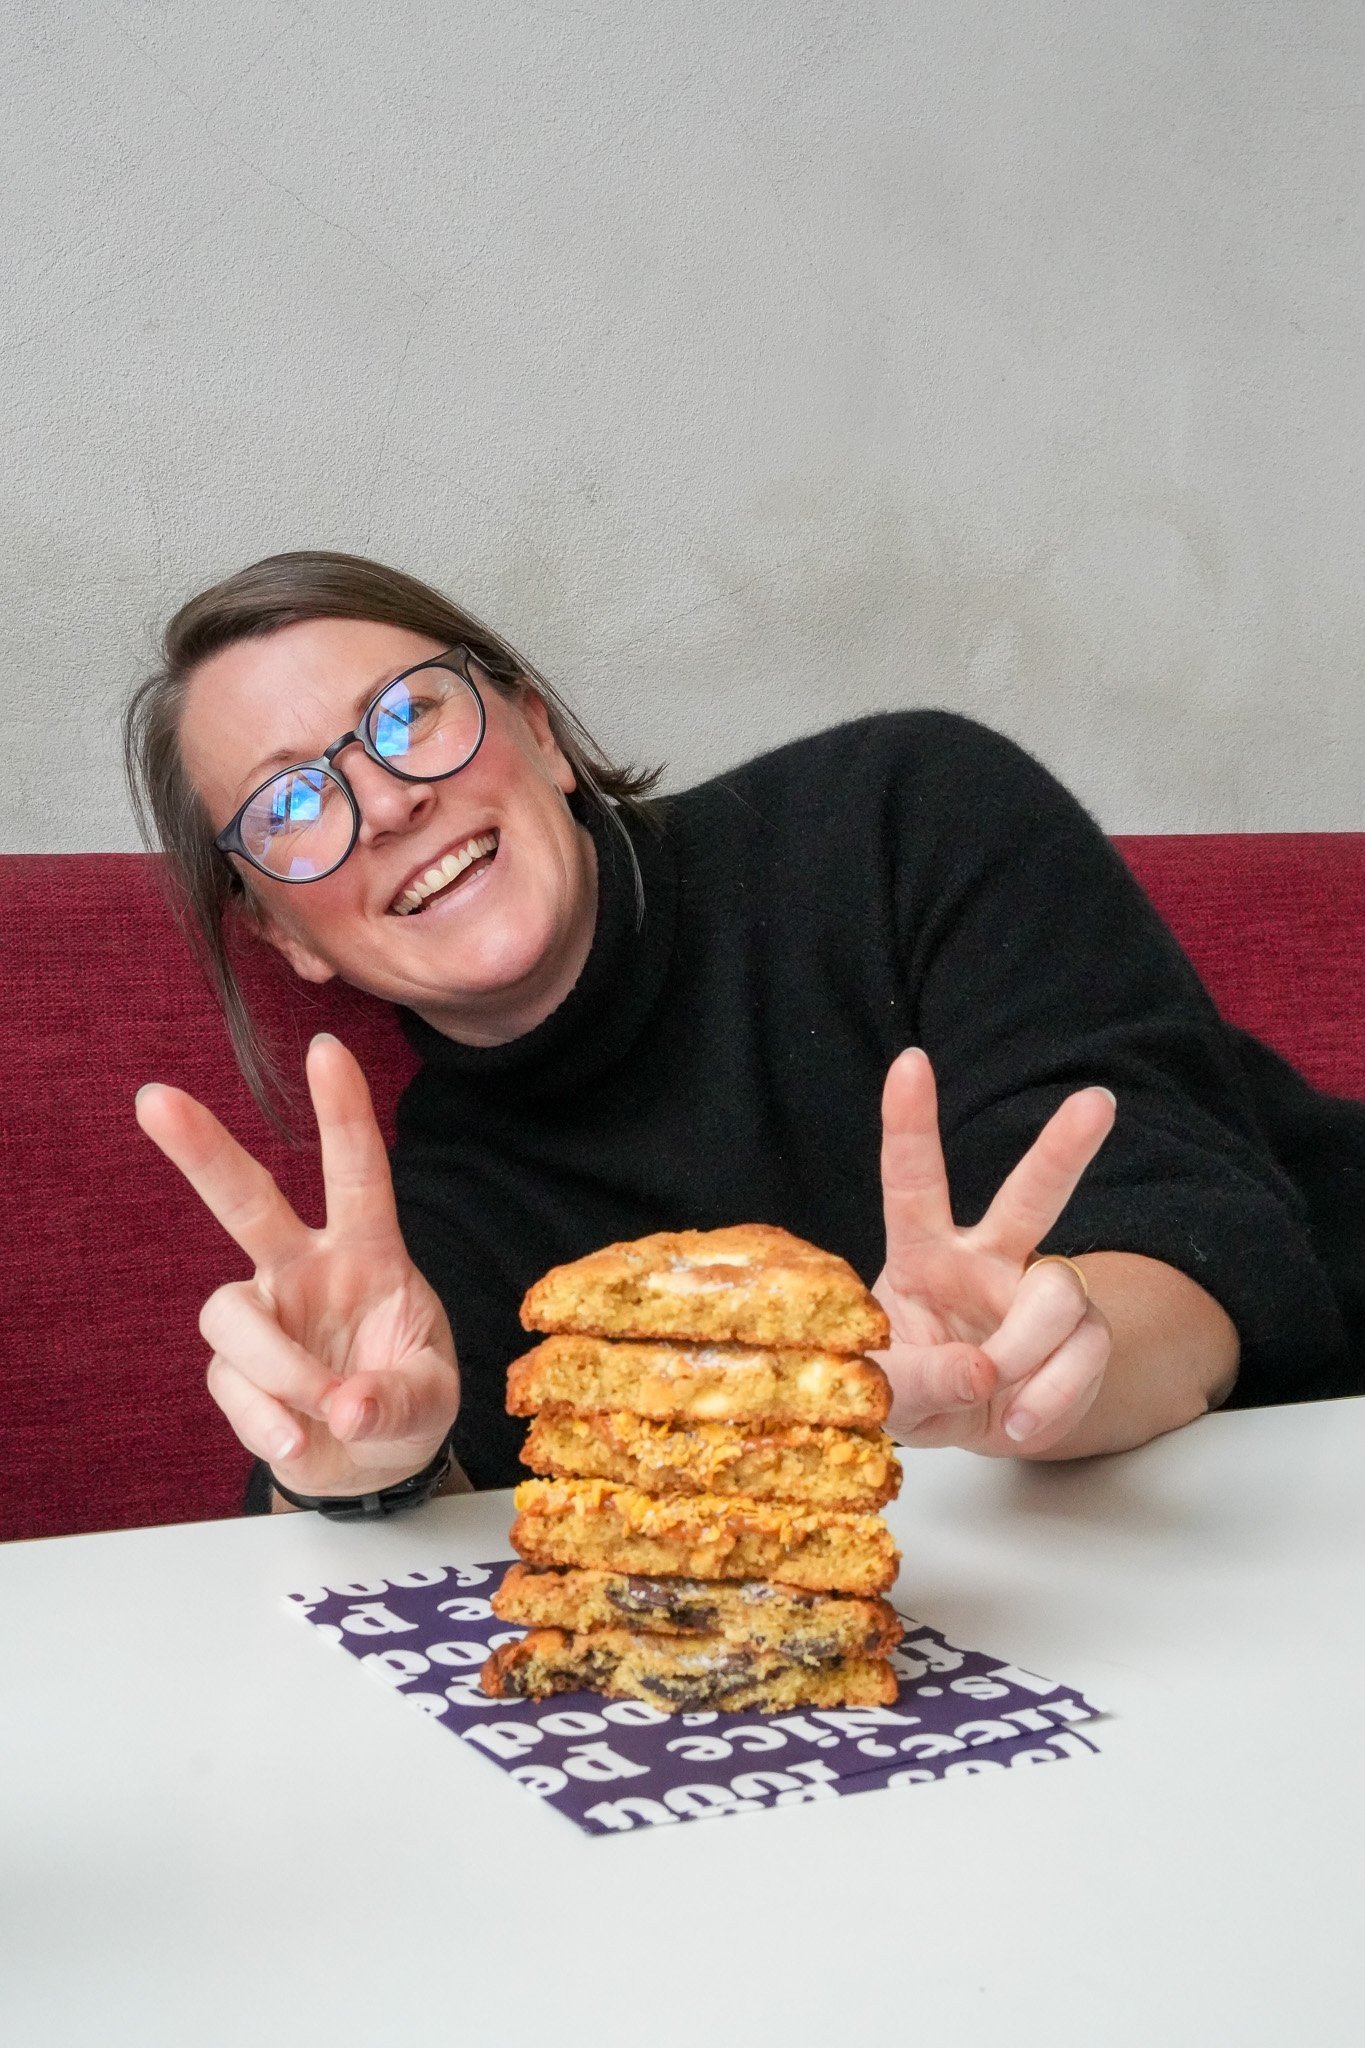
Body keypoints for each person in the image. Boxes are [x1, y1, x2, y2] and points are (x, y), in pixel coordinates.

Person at [124, 551, 1364, 1513]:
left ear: (540, 728)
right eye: (290, 803)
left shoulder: (904, 813)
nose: (388, 801)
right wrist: (359, 1460)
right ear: (285, 937)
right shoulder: (430, 1234)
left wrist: (1047, 1350)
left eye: (409, 717)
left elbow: (1213, 1267)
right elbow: (410, 1507)